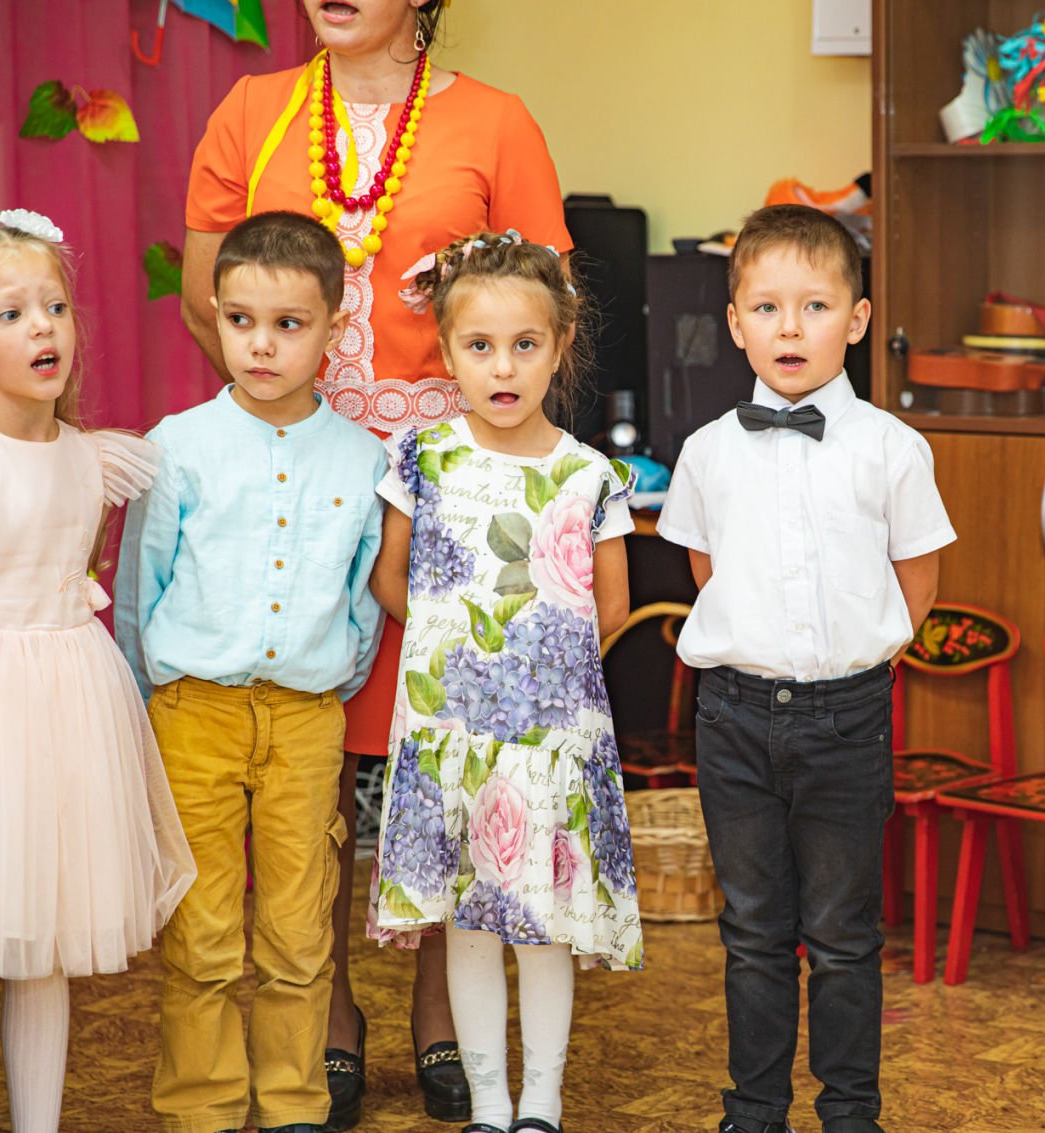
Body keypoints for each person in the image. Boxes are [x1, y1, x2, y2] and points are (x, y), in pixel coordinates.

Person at [183, 5, 572, 1118]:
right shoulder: (251, 110)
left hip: (452, 497)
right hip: (301, 490)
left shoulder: (498, 123)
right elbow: (208, 301)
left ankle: (439, 1007)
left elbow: (539, 305)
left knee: (444, 751)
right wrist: (295, 428)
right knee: (312, 759)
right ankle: (330, 1010)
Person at [656, 205, 956, 1133]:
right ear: (735, 321)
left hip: (846, 718)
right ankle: (754, 1111)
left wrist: (851, 662)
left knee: (841, 934)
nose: (790, 328)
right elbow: (707, 572)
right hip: (733, 715)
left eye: (816, 306)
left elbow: (917, 584)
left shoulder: (891, 449)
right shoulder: (708, 451)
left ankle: (850, 1112)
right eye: (768, 307)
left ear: (857, 320)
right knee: (752, 931)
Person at [116, 211, 386, 1133]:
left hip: (307, 719)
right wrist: (147, 703)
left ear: (333, 327)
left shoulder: (362, 460)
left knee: (300, 928)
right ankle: (201, 1105)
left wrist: (330, 678)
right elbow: (140, 585)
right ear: (218, 315)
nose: (261, 345)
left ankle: (294, 1103)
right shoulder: (179, 444)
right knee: (200, 929)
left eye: (288, 324)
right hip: (192, 712)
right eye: (240, 321)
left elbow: (362, 597)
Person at [367, 230, 642, 1133]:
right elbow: (392, 579)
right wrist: (456, 653)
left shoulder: (589, 475)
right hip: (452, 735)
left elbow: (609, 605)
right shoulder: (422, 457)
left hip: (548, 741)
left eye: (525, 344)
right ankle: (489, 1102)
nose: (503, 366)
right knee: (471, 924)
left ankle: (541, 1102)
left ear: (561, 345)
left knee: (545, 924)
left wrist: (536, 675)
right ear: (446, 351)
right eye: (479, 345)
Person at [0, 210, 195, 1133]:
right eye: (10, 314)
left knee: (45, 950)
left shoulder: (92, 460)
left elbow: (71, 575)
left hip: (68, 704)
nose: (43, 327)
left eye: (55, 306)